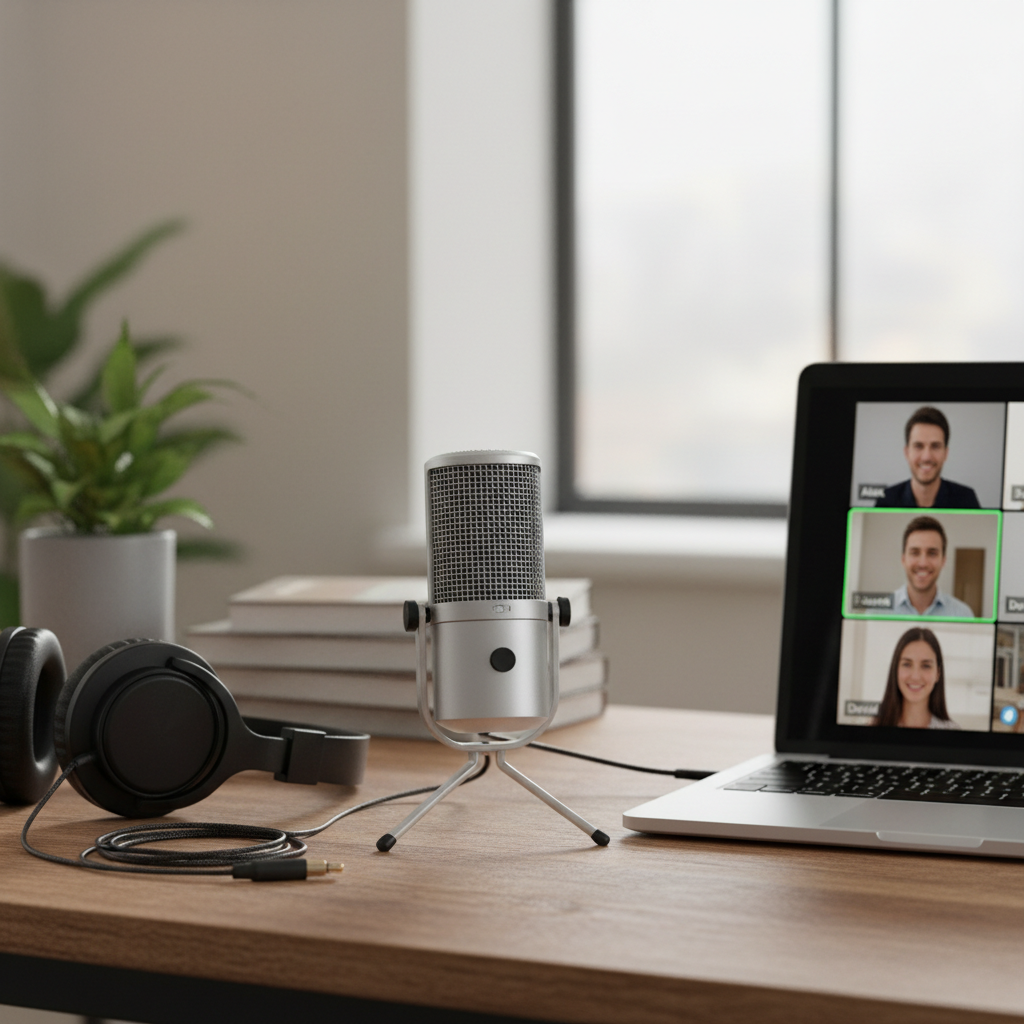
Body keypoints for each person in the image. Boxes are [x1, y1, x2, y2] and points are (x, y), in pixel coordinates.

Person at [875, 406, 980, 509]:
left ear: (946, 453)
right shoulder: (886, 500)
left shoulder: (966, 499)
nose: (926, 457)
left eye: (935, 446)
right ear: (907, 452)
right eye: (918, 446)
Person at [883, 516, 975, 618]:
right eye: (915, 553)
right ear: (903, 559)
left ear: (943, 560)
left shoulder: (963, 614)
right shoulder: (878, 610)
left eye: (932, 553)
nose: (923, 563)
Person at [872, 627, 959, 729]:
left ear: (938, 673)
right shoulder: (873, 728)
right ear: (895, 669)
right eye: (907, 664)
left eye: (926, 666)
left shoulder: (953, 731)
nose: (915, 676)